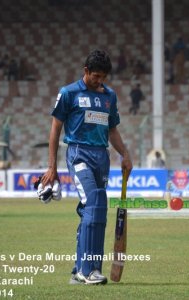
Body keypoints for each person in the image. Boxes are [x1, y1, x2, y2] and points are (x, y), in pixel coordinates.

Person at [40, 49, 133, 285]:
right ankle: (87, 270)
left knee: (95, 208)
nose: (99, 81)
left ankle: (82, 270)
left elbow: (112, 130)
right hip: (78, 154)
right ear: (86, 71)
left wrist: (125, 154)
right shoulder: (69, 93)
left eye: (103, 77)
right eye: (96, 76)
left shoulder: (109, 96)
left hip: (102, 157)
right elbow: (55, 129)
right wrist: (52, 167)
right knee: (94, 201)